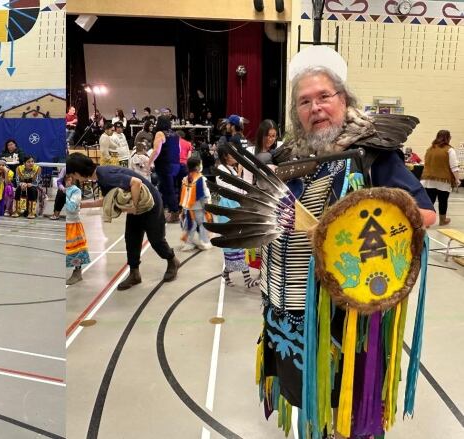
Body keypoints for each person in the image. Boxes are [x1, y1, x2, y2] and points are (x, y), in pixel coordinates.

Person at [209, 49, 436, 438]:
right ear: (296, 112)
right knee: (311, 407)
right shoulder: (286, 159)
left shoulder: (372, 156)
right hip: (289, 310)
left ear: (344, 99)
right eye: (304, 101)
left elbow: (424, 214)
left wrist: (349, 224)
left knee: (346, 408)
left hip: (346, 315)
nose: (315, 108)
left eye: (324, 97)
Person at [66, 153, 179, 290]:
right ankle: (134, 273)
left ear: (78, 172)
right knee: (131, 239)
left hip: (150, 204)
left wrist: (134, 206)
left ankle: (172, 260)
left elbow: (136, 183)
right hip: (137, 205)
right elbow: (108, 200)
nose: (73, 178)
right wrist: (82, 205)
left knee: (156, 239)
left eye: (73, 175)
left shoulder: (106, 176)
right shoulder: (101, 176)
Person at [215, 145, 259, 287]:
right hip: (228, 209)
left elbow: (239, 187)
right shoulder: (221, 170)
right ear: (224, 156)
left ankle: (226, 274)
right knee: (236, 246)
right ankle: (247, 280)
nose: (234, 157)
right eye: (231, 154)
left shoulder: (232, 169)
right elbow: (231, 188)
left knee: (238, 246)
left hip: (234, 207)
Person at [420, 130, 460, 225]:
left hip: (428, 179)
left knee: (429, 201)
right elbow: (454, 167)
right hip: (443, 180)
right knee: (443, 200)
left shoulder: (430, 149)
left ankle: (425, 221)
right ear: (448, 138)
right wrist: (457, 180)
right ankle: (442, 220)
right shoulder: (449, 150)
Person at [149, 115, 181, 222]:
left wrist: (149, 162)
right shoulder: (175, 134)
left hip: (164, 165)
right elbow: (179, 149)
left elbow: (156, 151)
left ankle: (174, 212)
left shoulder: (160, 134)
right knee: (165, 188)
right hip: (176, 164)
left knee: (168, 189)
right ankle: (163, 209)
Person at [178, 156, 212, 251]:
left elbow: (183, 194)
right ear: (198, 166)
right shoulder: (201, 179)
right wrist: (207, 207)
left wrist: (183, 208)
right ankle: (204, 242)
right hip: (200, 208)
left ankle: (189, 243)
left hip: (188, 208)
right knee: (203, 225)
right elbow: (204, 195)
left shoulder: (185, 179)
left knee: (190, 226)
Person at [64, 173, 90, 285]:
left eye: (69, 179)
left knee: (75, 251)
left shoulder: (76, 191)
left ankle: (77, 272)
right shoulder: (62, 189)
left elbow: (72, 207)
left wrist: (64, 195)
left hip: (72, 223)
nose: (66, 181)